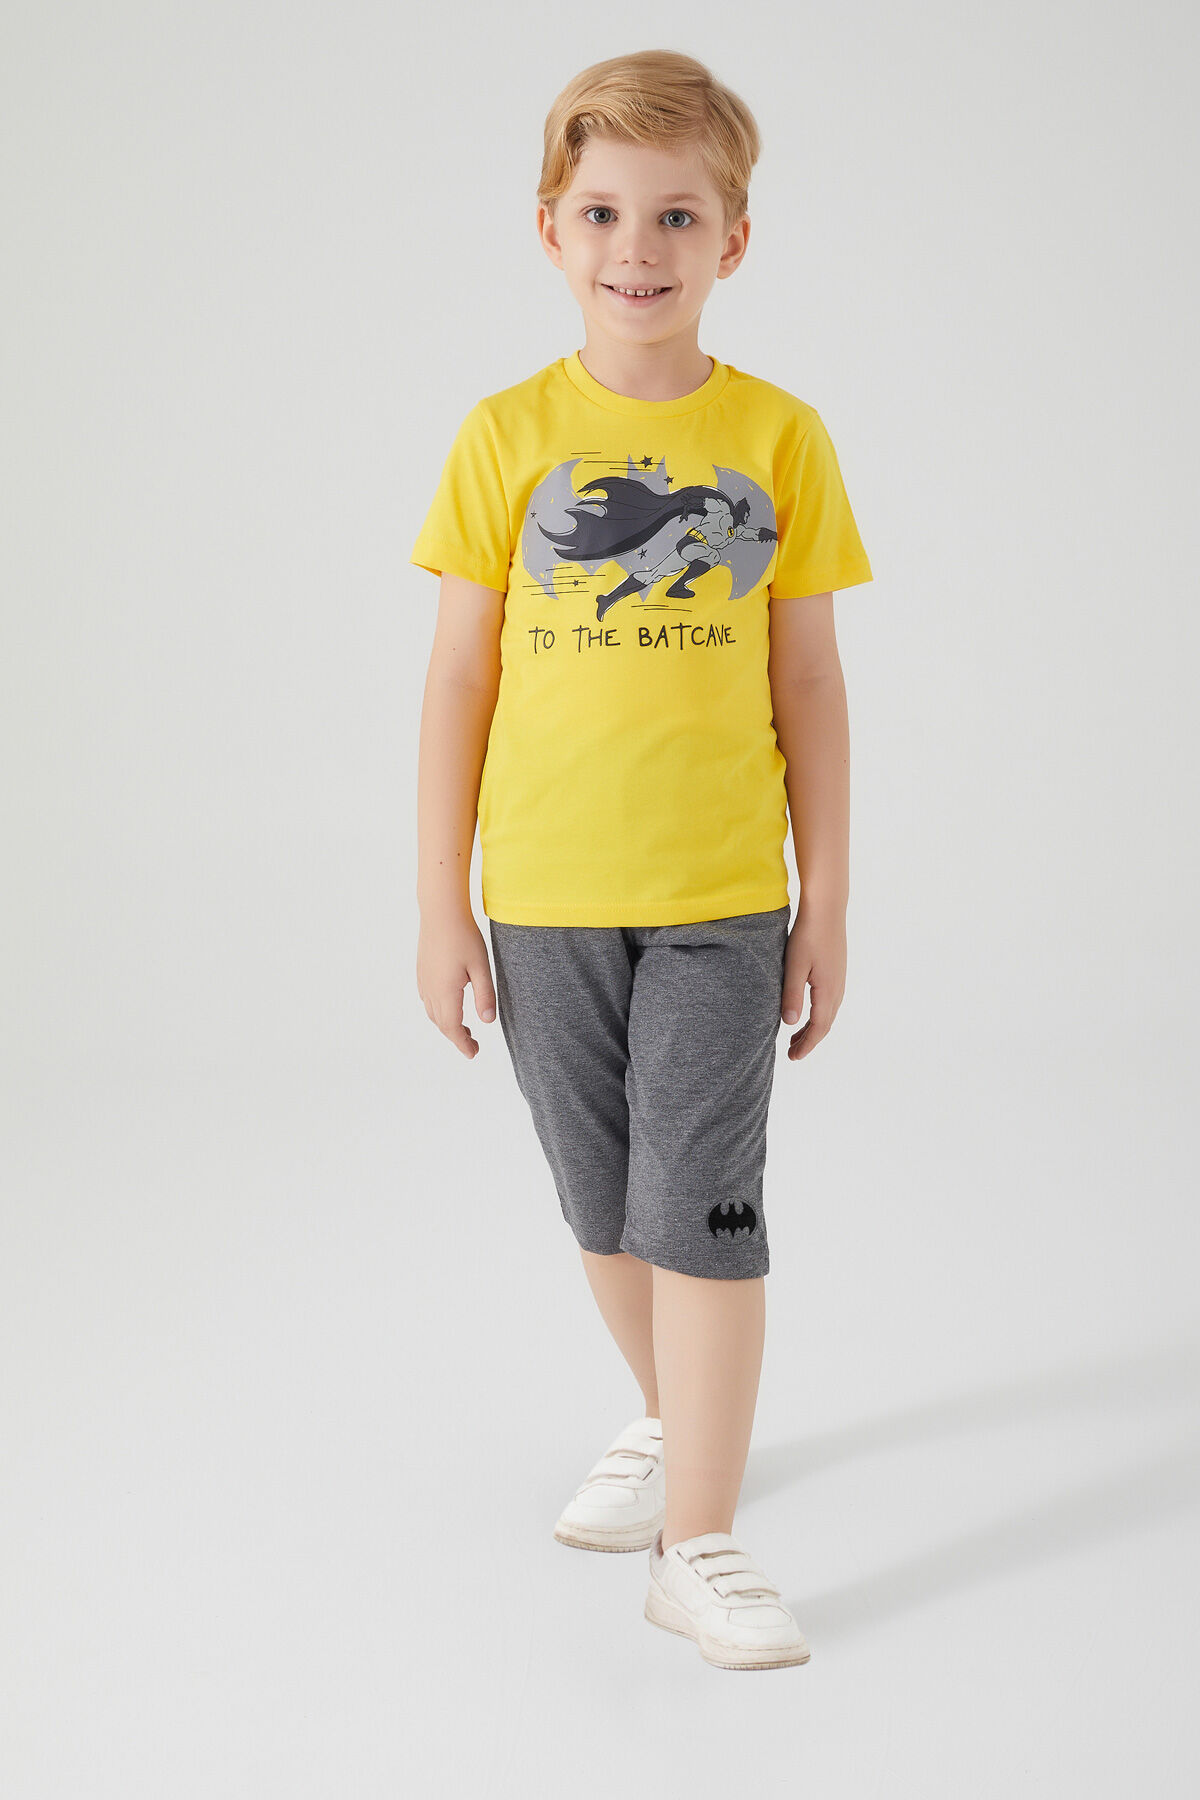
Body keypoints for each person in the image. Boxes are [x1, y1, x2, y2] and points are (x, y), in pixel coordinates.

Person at [411, 49, 873, 1671]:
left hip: (720, 902)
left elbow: (808, 680)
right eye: (604, 211)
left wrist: (826, 901)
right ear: (551, 227)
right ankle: (679, 1420)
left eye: (678, 214)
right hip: (540, 899)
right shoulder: (505, 436)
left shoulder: (781, 437)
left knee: (702, 1209)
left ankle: (702, 1539)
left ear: (733, 238)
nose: (639, 245)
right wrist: (439, 904)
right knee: (605, 1207)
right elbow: (457, 681)